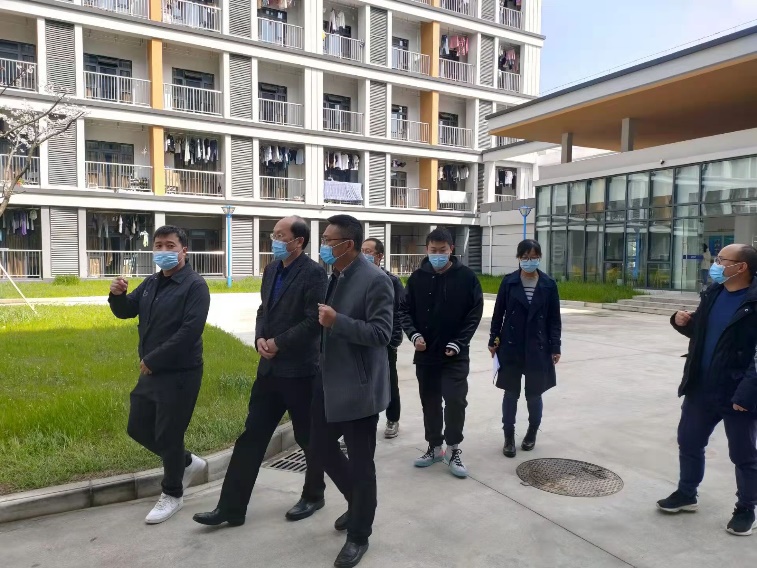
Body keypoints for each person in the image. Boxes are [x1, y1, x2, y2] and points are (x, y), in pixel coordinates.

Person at [193, 216, 328, 528]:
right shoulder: (271, 270)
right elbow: (263, 310)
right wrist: (259, 338)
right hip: (269, 371)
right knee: (251, 437)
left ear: (299, 241)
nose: (274, 240)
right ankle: (231, 508)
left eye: (281, 236)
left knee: (309, 438)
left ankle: (314, 494)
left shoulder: (314, 273)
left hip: (300, 372)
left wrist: (279, 343)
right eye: (273, 235)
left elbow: (314, 321)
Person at [108, 225, 210, 524]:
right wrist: (117, 295)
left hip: (180, 371)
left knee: (169, 433)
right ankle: (186, 462)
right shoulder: (152, 282)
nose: (163, 251)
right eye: (158, 245)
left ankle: (173, 494)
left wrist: (155, 358)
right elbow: (127, 310)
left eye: (170, 245)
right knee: (137, 427)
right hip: (151, 370)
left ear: (184, 250)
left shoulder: (195, 286)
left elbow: (190, 331)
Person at [657, 244, 757, 536]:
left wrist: (747, 393)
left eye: (722, 260)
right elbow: (700, 331)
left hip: (737, 392)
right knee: (688, 442)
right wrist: (682, 322)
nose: (715, 264)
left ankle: (746, 509)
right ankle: (687, 493)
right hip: (701, 386)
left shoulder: (753, 302)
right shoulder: (714, 292)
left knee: (743, 455)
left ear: (741, 267)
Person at [311, 215, 394, 568]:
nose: (323, 246)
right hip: (328, 380)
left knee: (361, 464)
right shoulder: (335, 274)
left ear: (348, 244)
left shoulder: (375, 280)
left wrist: (337, 322)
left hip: (359, 387)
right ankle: (357, 502)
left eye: (328, 241)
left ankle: (359, 534)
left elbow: (382, 334)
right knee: (318, 446)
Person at [400, 227, 483, 478]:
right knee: (430, 402)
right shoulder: (417, 278)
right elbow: (404, 311)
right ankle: (434, 447)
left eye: (442, 250)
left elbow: (474, 314)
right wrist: (414, 335)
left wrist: (459, 342)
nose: (438, 255)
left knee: (456, 400)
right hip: (426, 354)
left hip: (455, 355)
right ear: (426, 250)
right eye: (433, 250)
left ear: (451, 250)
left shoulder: (466, 277)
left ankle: (453, 448)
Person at [488, 239, 562, 458]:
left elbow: (554, 320)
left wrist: (555, 346)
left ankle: (531, 432)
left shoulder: (548, 284)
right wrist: (493, 340)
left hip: (538, 347)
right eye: (525, 257)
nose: (530, 261)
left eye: (534, 257)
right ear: (519, 258)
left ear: (540, 258)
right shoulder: (509, 282)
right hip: (511, 345)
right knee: (510, 393)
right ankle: (508, 436)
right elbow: (498, 314)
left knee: (534, 395)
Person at [361, 237, 405, 439]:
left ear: (379, 256)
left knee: (389, 381)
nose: (364, 255)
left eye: (369, 252)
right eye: (362, 250)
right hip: (363, 338)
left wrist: (393, 340)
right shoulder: (356, 278)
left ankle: (393, 418)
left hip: (385, 341)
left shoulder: (392, 281)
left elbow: (399, 312)